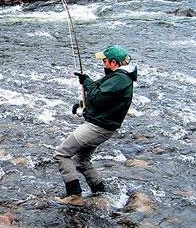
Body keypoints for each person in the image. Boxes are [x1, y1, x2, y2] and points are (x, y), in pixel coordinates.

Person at [54, 45, 137, 205]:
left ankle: (74, 196)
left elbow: (97, 98)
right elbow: (105, 99)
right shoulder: (120, 76)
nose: (104, 64)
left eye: (105, 61)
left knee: (61, 153)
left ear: (114, 62)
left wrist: (87, 82)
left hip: (98, 127)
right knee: (82, 160)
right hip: (103, 126)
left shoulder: (120, 79)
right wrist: (81, 103)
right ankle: (100, 192)